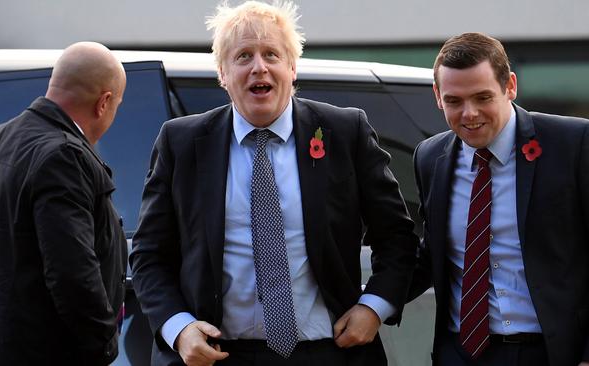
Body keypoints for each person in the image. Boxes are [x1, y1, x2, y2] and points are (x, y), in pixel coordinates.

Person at [129, 1, 418, 366]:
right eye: (243, 56)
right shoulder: (181, 142)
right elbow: (149, 255)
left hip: (328, 352)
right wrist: (178, 328)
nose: (259, 67)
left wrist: (373, 307)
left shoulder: (344, 132)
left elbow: (397, 237)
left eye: (271, 54)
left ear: (292, 67)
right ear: (222, 72)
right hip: (218, 355)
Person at [409, 32, 589, 366]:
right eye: (455, 101)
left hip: (555, 353)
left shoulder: (574, 145)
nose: (469, 114)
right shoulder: (430, 157)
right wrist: (365, 302)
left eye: (482, 97)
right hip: (462, 354)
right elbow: (430, 257)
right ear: (437, 96)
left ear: (510, 86)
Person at [0, 42, 128, 365]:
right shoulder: (64, 157)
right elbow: (72, 273)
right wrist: (105, 343)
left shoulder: (4, 138)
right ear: (104, 103)